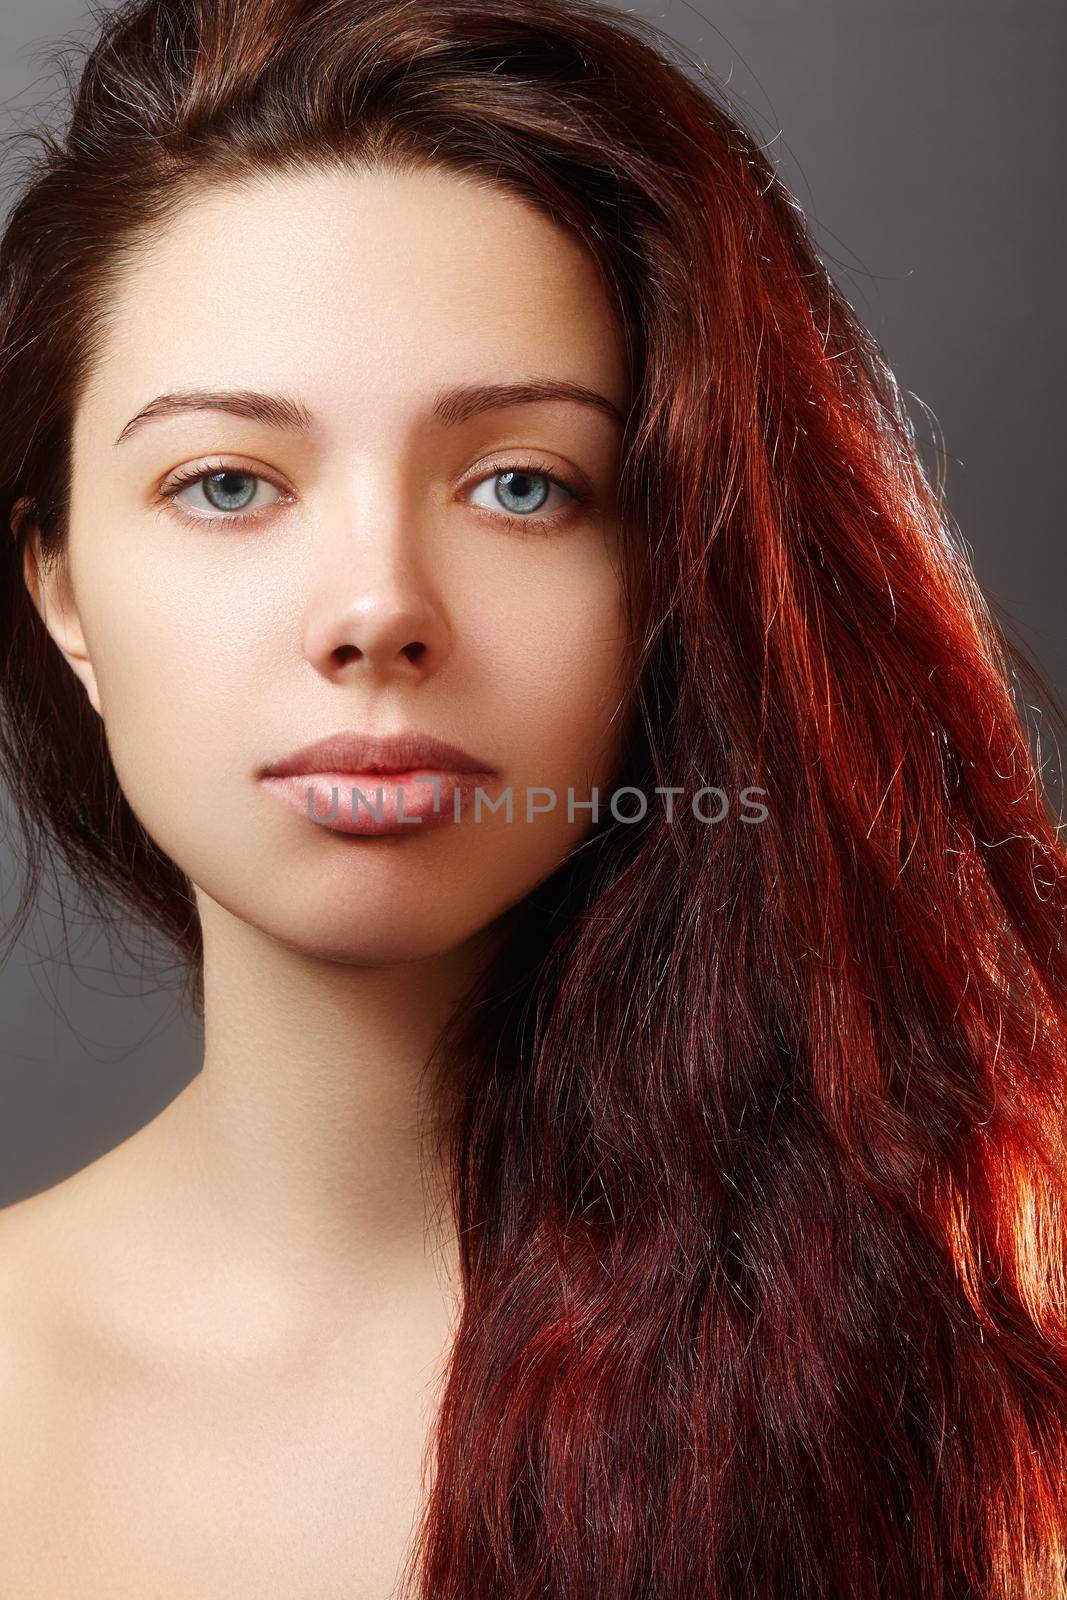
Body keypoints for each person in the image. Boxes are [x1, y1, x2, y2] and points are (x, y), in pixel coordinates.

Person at [0, 0, 1064, 1595]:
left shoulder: (993, 1341)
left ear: (673, 574)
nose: (376, 610)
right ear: (61, 590)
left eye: (523, 484)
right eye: (227, 483)